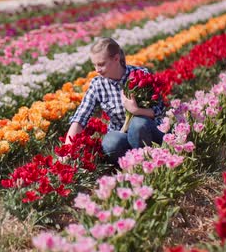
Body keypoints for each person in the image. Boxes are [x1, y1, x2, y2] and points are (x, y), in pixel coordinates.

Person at [65, 37, 165, 165]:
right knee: (110, 143)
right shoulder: (98, 84)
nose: (97, 70)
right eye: (94, 65)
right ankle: (133, 165)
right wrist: (67, 150)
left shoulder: (139, 75)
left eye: (101, 64)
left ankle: (148, 162)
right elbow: (80, 117)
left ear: (116, 59)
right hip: (121, 135)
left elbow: (160, 109)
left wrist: (136, 110)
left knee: (138, 124)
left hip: (147, 134)